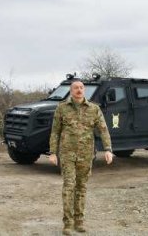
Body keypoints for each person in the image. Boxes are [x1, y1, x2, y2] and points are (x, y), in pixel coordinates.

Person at [48, 80, 113, 235]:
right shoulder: (62, 108)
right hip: (67, 154)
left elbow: (103, 130)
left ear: (85, 90)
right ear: (71, 91)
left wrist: (108, 149)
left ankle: (79, 221)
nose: (79, 90)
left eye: (81, 88)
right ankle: (68, 224)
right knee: (68, 187)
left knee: (81, 188)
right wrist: (52, 152)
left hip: (86, 154)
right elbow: (55, 131)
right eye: (76, 88)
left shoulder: (94, 109)